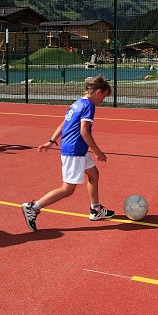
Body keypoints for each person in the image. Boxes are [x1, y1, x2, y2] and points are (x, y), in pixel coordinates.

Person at [22, 75, 114, 232]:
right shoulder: (89, 106)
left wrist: (51, 141)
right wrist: (98, 152)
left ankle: (95, 209)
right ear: (98, 92)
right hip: (75, 150)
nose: (102, 101)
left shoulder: (77, 103)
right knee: (68, 189)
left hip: (77, 149)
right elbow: (84, 131)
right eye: (104, 97)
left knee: (93, 174)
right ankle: (33, 207)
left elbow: (64, 123)